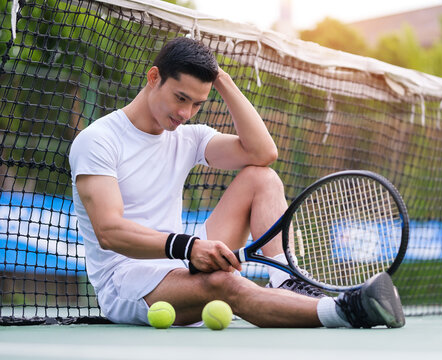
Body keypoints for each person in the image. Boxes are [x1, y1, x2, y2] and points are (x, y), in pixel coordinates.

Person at [69, 37, 405, 328]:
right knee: (226, 284)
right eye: (180, 97)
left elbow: (263, 153)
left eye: (198, 104)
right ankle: (347, 310)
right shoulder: (99, 140)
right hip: (127, 282)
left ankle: (287, 281)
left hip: (180, 257)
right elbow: (109, 232)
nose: (186, 113)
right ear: (154, 77)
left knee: (261, 177)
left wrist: (222, 80)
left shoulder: (188, 137)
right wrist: (189, 247)